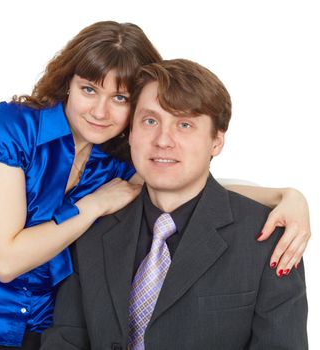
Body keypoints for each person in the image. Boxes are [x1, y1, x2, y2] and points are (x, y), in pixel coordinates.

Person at [0, 22, 309, 350]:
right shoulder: (13, 129)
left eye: (121, 98)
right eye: (88, 89)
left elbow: (188, 181)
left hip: (41, 330)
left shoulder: (120, 157)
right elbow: (5, 260)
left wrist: (286, 196)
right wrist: (91, 206)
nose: (99, 111)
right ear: (67, 84)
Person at [41, 59, 308, 349]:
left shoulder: (266, 238)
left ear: (216, 141)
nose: (163, 140)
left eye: (184, 124)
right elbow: (65, 340)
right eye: (150, 121)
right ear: (130, 133)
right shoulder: (92, 227)